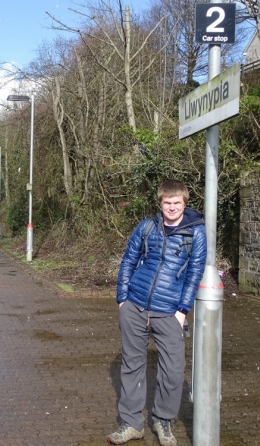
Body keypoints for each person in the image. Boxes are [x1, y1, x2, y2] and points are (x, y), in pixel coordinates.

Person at [107, 179, 207, 446]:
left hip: (170, 311)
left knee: (173, 371)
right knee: (132, 366)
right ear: (160, 203)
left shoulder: (195, 232)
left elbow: (195, 272)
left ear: (184, 203)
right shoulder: (147, 227)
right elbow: (128, 260)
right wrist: (122, 300)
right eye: (167, 203)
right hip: (135, 306)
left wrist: (182, 311)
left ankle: (162, 420)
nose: (172, 207)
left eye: (177, 203)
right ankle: (131, 424)